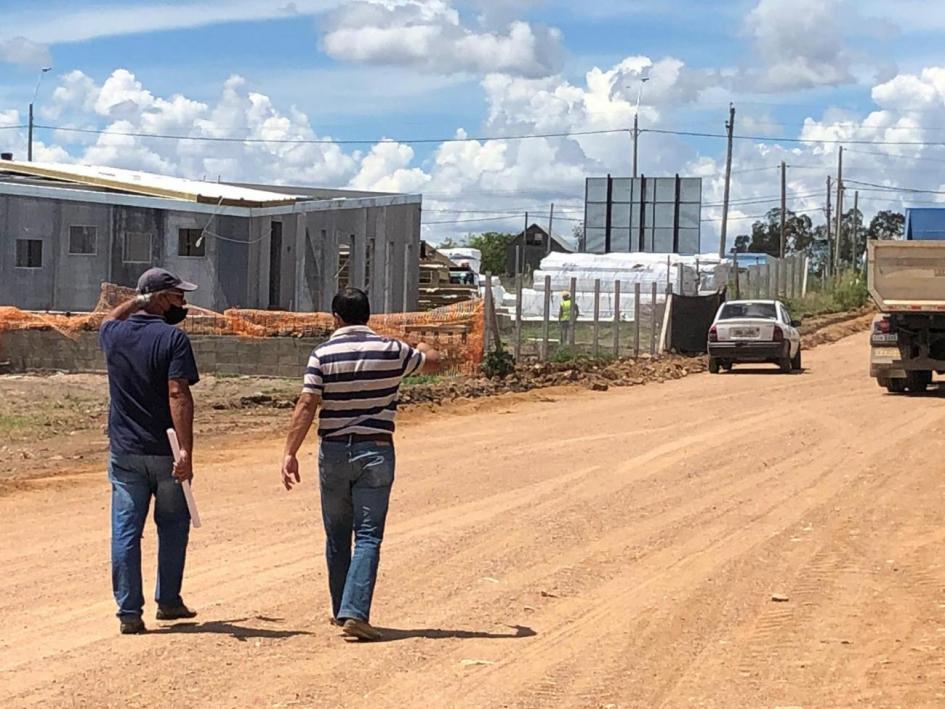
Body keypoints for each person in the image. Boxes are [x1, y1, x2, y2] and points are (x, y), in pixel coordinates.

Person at [280, 287, 440, 641]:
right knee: (368, 535)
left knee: (337, 534)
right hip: (376, 450)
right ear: (369, 315)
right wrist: (418, 344)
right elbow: (433, 360)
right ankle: (355, 611)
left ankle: (342, 610)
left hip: (334, 451)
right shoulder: (393, 350)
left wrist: (290, 451)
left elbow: (307, 403)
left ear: (335, 317)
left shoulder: (322, 353)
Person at [99, 267, 200, 635]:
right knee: (173, 525)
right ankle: (169, 601)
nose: (183, 303)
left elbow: (109, 317)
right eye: (176, 296)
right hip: (166, 450)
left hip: (125, 452)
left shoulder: (114, 334)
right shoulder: (173, 339)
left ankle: (129, 612)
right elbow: (178, 393)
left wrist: (135, 301)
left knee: (126, 530)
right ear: (158, 298)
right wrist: (185, 451)